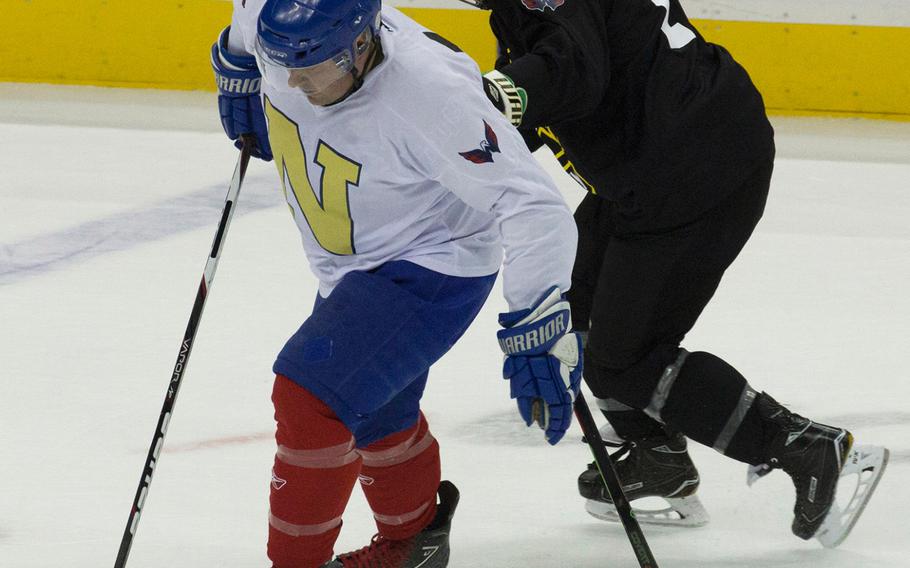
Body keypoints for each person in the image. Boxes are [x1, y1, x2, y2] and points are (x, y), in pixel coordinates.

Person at [472, 0, 888, 546]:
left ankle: (802, 446)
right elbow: (554, 86)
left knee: (623, 358)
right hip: (654, 166)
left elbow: (573, 69)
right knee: (572, 312)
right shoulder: (519, 9)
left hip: (694, 175)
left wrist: (497, 95)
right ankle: (657, 457)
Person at [211, 1, 584, 566]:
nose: (293, 81)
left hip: (433, 264)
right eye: (278, 62)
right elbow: (247, 24)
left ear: (362, 45)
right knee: (375, 407)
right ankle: (414, 545)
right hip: (353, 261)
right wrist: (239, 66)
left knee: (309, 396)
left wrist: (538, 315)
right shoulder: (279, 19)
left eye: (312, 68)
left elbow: (534, 207)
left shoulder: (431, 95)